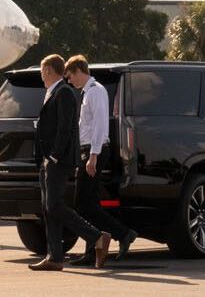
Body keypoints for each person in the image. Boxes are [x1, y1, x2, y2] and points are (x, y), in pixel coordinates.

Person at [30, 53, 111, 271]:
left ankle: (96, 236)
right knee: (49, 208)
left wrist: (55, 155)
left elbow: (66, 127)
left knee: (54, 204)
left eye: (41, 71)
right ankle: (55, 256)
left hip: (59, 159)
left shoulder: (63, 92)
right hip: (48, 160)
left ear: (47, 71)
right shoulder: (52, 92)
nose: (41, 75)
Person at [64, 55, 137, 266]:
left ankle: (122, 234)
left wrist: (93, 156)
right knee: (91, 202)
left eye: (70, 77)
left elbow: (99, 126)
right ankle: (93, 250)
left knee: (82, 204)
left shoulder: (95, 91)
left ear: (79, 71)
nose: (70, 81)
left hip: (93, 151)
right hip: (89, 151)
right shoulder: (88, 92)